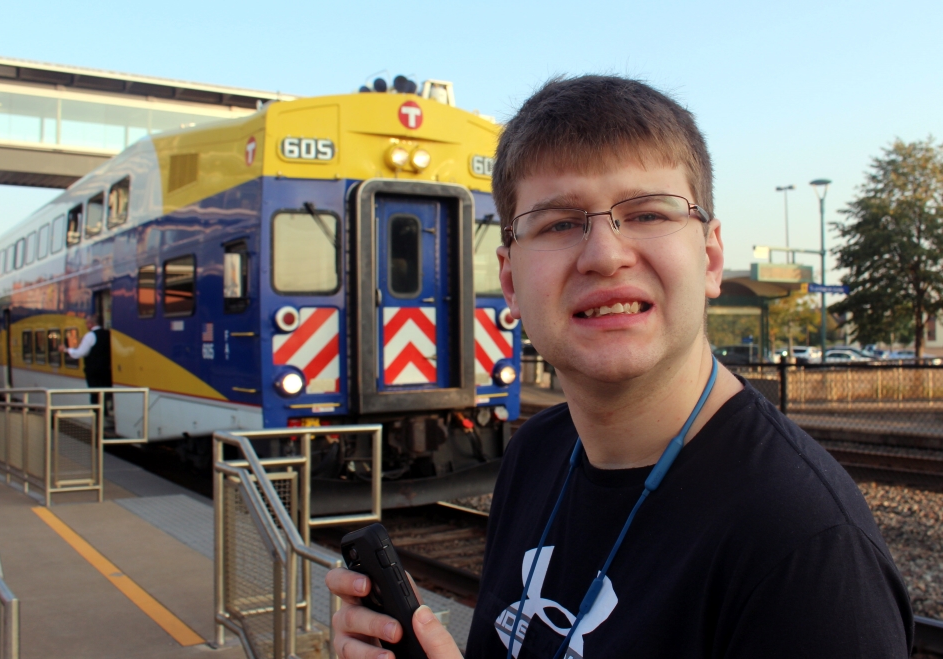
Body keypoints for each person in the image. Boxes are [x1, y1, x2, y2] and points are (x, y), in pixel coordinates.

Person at [326, 76, 912, 658]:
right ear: (509, 281)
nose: (605, 255)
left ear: (710, 257)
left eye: (649, 214)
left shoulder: (809, 554)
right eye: (558, 223)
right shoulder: (535, 456)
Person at [60, 314, 112, 405]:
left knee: (95, 396)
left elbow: (81, 352)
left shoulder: (90, 336)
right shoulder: (108, 334)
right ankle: (106, 410)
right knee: (105, 393)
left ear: (90, 324)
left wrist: (66, 349)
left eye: (86, 323)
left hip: (94, 371)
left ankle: (98, 415)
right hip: (107, 370)